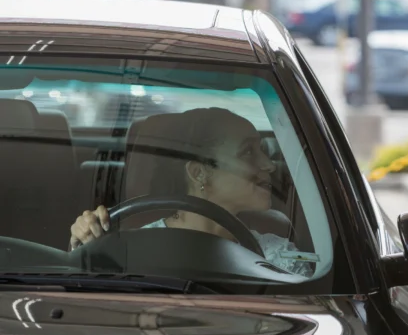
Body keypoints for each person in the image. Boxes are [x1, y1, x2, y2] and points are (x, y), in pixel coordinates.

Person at [70, 107, 313, 278]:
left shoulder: (279, 255)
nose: (269, 165)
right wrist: (86, 247)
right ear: (199, 173)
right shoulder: (125, 248)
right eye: (248, 152)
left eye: (261, 150)